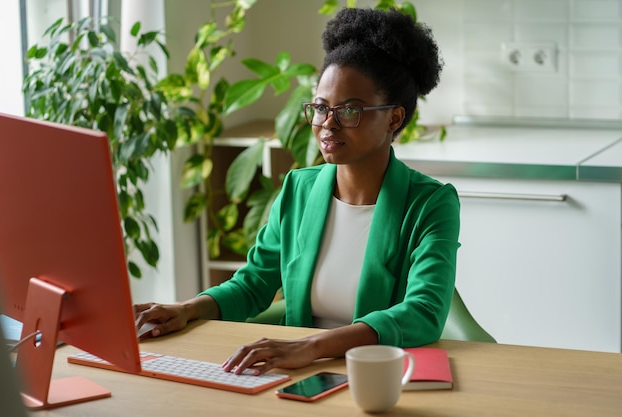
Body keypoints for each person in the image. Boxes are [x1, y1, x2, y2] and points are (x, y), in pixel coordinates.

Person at [135, 7, 460, 376]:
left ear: (394, 118)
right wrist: (186, 309)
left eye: (349, 111)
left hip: (379, 376)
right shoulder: (298, 190)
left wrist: (311, 347)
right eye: (320, 108)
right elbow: (254, 283)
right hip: (301, 373)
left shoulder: (430, 203)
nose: (327, 124)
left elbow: (423, 311)